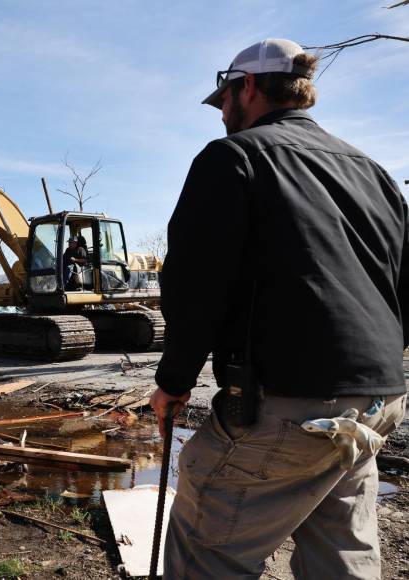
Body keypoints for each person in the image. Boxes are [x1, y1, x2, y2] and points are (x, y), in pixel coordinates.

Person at [149, 38, 408, 579]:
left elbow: (196, 287)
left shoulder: (234, 158)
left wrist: (173, 383)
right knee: (341, 549)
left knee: (206, 549)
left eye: (223, 98)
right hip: (378, 401)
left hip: (289, 406)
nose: (221, 111)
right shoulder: (374, 172)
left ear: (248, 86)